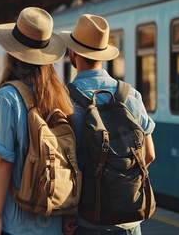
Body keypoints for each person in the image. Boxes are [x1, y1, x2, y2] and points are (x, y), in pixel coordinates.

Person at [0, 7, 77, 235]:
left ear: (11, 52)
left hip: (15, 222)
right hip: (52, 219)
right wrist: (67, 213)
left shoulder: (7, 97)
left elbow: (5, 162)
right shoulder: (59, 95)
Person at [59, 14, 156, 235]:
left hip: (87, 221)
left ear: (73, 53)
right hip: (130, 222)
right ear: (102, 56)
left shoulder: (64, 100)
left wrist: (66, 216)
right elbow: (149, 154)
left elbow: (63, 169)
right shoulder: (131, 95)